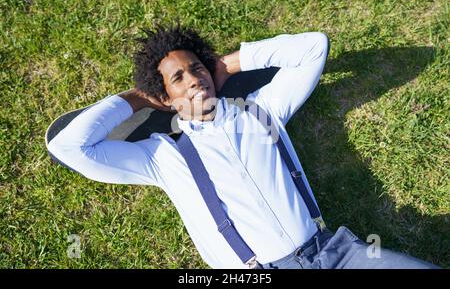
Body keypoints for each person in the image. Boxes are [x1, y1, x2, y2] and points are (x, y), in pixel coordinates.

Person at [47, 23, 439, 269]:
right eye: (178, 79)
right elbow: (71, 147)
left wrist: (229, 64)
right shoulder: (162, 156)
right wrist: (138, 98)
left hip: (334, 253)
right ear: (164, 97)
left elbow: (314, 48)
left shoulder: (262, 110)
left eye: (197, 68)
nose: (193, 80)